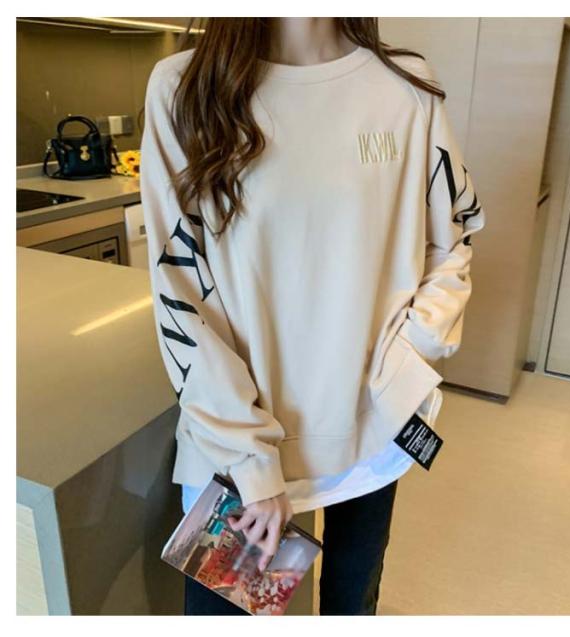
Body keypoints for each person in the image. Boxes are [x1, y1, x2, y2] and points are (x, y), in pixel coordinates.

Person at [140, 17, 486, 616]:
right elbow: (180, 293)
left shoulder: (406, 88)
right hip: (240, 455)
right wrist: (250, 459)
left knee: (353, 607)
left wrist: (405, 362)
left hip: (373, 435)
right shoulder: (184, 87)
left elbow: (451, 243)